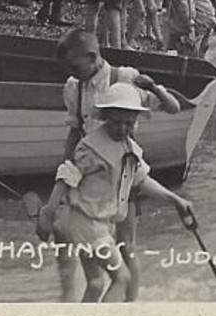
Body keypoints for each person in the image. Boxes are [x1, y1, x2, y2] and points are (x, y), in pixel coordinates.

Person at [54, 29, 182, 302]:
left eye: (75, 66)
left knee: (126, 247)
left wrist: (153, 87)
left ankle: (129, 307)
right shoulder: (73, 87)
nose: (72, 72)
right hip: (90, 177)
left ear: (92, 56)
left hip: (124, 176)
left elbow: (172, 108)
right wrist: (63, 178)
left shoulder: (124, 78)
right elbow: (75, 131)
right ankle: (85, 307)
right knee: (87, 247)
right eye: (67, 68)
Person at [37, 83, 195, 303]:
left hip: (95, 224)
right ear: (104, 118)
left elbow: (141, 180)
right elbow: (66, 176)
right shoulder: (91, 148)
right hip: (87, 224)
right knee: (122, 278)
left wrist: (176, 200)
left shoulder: (129, 148)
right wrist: (48, 213)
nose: (122, 129)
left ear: (136, 122)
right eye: (115, 122)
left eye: (128, 123)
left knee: (96, 282)